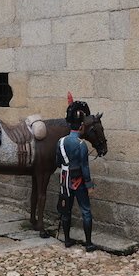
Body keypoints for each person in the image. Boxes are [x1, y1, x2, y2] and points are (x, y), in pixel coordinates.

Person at [56, 100, 95, 251]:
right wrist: (89, 185)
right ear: (81, 127)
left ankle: (67, 240)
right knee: (86, 211)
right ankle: (89, 243)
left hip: (65, 181)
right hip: (78, 181)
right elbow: (85, 167)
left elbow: (58, 162)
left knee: (66, 210)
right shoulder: (81, 144)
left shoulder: (60, 142)